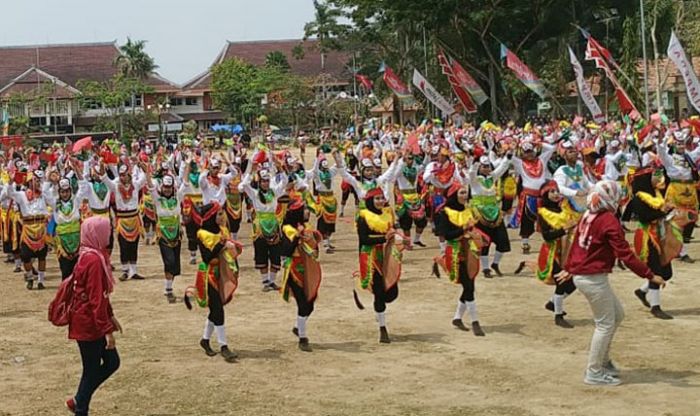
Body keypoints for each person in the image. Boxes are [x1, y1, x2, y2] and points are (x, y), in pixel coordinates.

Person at [563, 180, 666, 386]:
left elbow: (578, 244)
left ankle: (602, 361)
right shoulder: (608, 220)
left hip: (586, 275)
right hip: (592, 277)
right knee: (605, 324)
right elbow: (625, 255)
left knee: (617, 315)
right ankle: (594, 371)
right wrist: (649, 275)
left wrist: (571, 267)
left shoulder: (589, 214)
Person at [66, 216, 121, 415]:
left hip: (87, 320)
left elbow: (99, 295)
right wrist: (107, 331)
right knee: (92, 369)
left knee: (111, 362)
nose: (110, 235)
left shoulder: (90, 255)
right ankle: (81, 407)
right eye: (107, 231)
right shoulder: (94, 260)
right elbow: (95, 299)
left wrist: (111, 315)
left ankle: (79, 400)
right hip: (88, 323)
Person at [185, 202, 242, 363]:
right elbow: (208, 257)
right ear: (211, 216)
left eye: (222, 213)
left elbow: (227, 251)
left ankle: (205, 340)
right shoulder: (202, 234)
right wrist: (223, 244)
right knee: (218, 309)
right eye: (218, 214)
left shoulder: (223, 230)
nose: (222, 217)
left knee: (217, 308)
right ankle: (223, 346)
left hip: (221, 273)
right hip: (208, 274)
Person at [434, 183, 487, 336]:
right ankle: (475, 321)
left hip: (469, 250)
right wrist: (463, 229)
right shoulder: (445, 213)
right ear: (454, 195)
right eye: (462, 193)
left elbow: (473, 229)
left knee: (469, 285)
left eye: (466, 193)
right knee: (469, 286)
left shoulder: (468, 210)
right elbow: (445, 234)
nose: (465, 196)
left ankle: (457, 318)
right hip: (456, 252)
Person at [355, 188, 403, 343]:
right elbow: (364, 239)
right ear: (370, 201)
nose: (381, 201)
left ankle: (379, 311)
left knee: (391, 292)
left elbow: (392, 233)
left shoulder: (387, 214)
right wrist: (384, 238)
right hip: (370, 257)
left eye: (382, 198)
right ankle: (383, 328)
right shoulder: (363, 217)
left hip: (385, 256)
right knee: (380, 293)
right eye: (377, 199)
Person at [628, 168, 678, 319]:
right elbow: (645, 217)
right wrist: (664, 212)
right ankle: (655, 307)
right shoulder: (639, 198)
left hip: (660, 234)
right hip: (647, 237)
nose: (658, 179)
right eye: (654, 177)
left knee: (667, 273)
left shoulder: (656, 194)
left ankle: (642, 291)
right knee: (657, 270)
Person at [533, 180, 578, 328]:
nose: (556, 194)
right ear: (545, 194)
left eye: (557, 191)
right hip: (552, 252)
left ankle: (553, 302)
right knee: (562, 281)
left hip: (567, 249)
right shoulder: (543, 213)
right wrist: (564, 230)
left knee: (573, 284)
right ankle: (558, 316)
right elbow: (547, 236)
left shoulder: (564, 209)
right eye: (552, 192)